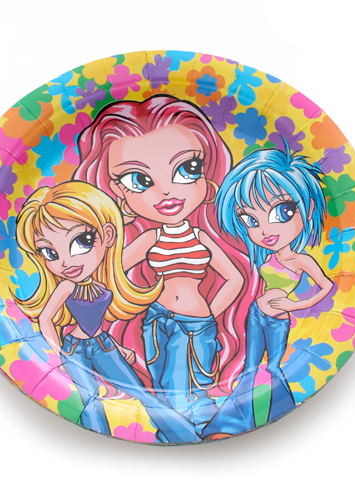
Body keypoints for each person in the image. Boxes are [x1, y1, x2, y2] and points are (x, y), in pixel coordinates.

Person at [73, 95, 251, 438]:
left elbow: (235, 278)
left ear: (207, 173)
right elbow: (111, 270)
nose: (166, 191)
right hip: (156, 321)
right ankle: (182, 437)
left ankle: (197, 436)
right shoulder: (150, 238)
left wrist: (208, 315)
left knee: (191, 392)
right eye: (137, 180)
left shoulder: (201, 237)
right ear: (118, 192)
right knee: (164, 390)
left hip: (196, 324)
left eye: (188, 169)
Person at [13, 181, 200, 443]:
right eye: (49, 252)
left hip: (103, 344)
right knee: (90, 399)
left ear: (108, 235)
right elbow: (45, 319)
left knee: (141, 392)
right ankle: (96, 444)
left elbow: (97, 325)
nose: (65, 261)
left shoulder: (104, 282)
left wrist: (118, 348)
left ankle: (186, 435)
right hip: (74, 348)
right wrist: (60, 353)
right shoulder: (66, 286)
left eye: (81, 241)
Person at [202, 144, 333, 438]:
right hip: (256, 313)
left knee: (273, 369)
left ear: (308, 210)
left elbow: (326, 285)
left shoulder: (301, 260)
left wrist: (295, 305)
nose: (264, 230)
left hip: (277, 319)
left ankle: (280, 414)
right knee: (250, 369)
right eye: (250, 220)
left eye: (282, 212)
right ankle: (227, 424)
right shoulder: (266, 255)